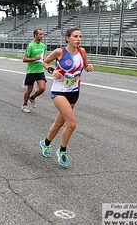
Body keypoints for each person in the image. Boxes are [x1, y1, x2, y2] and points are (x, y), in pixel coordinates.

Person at [40, 27, 94, 167]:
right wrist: (52, 70)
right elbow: (45, 62)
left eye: (80, 36)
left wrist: (88, 67)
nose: (78, 39)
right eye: (75, 36)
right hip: (59, 91)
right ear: (67, 38)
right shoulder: (60, 52)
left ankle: (45, 143)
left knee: (59, 122)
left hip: (74, 91)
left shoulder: (82, 52)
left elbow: (86, 65)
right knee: (72, 123)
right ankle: (62, 151)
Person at [21, 28, 47, 113]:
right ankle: (24, 105)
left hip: (40, 70)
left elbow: (44, 56)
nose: (42, 36)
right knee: (29, 89)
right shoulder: (31, 45)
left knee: (42, 88)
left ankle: (32, 98)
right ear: (35, 35)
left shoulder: (43, 46)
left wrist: (45, 58)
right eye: (40, 34)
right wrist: (34, 59)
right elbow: (24, 59)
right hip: (31, 71)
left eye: (42, 34)